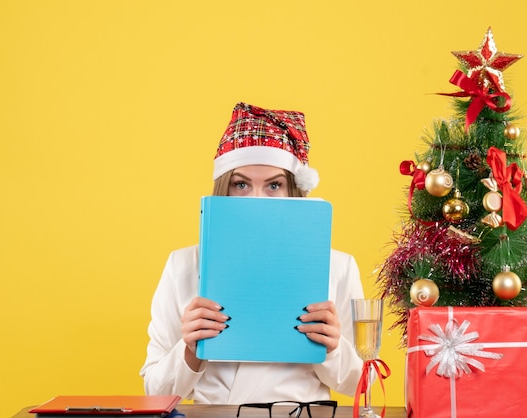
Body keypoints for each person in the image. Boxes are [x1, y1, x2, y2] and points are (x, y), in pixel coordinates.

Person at [140, 102, 365, 404]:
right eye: (241, 184)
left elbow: (362, 384)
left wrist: (334, 349)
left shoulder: (338, 266)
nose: (256, 199)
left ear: (292, 192)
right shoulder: (183, 265)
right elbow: (155, 393)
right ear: (224, 190)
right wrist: (190, 350)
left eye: (273, 185)